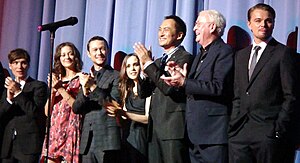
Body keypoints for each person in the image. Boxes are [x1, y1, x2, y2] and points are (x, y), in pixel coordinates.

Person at [228, 3, 299, 163]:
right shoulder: (240, 55)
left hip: (268, 134)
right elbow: (238, 93)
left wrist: (278, 129)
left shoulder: (283, 53)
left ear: (273, 23)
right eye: (258, 20)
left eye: (268, 21)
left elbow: (291, 96)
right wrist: (234, 126)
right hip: (240, 134)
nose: (263, 25)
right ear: (249, 24)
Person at [161, 10, 234, 163]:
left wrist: (185, 82)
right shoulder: (200, 54)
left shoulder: (224, 51)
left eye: (198, 24)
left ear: (212, 27)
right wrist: (180, 75)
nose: (194, 29)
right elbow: (195, 85)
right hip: (194, 134)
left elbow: (218, 87)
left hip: (213, 135)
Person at [134, 15, 193, 163]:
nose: (161, 33)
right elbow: (143, 93)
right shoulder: (158, 62)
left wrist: (148, 64)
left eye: (166, 29)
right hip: (154, 130)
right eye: (159, 29)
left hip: (173, 129)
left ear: (179, 35)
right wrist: (143, 71)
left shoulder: (185, 58)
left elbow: (168, 88)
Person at [72, 36, 121, 163]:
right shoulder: (86, 77)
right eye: (95, 50)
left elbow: (112, 103)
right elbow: (76, 108)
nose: (99, 53)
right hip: (87, 140)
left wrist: (92, 86)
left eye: (102, 49)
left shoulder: (116, 75)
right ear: (89, 53)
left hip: (107, 139)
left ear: (107, 51)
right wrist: (84, 89)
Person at [0, 48, 48, 162]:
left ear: (28, 65)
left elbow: (35, 113)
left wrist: (18, 93)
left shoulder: (38, 86)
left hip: (28, 146)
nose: (19, 67)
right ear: (10, 65)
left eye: (23, 62)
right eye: (16, 63)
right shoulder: (6, 87)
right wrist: (8, 100)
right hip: (7, 146)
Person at [106, 54, 153, 163]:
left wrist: (124, 113)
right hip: (126, 134)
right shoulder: (125, 88)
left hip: (141, 135)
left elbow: (148, 118)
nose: (132, 69)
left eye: (135, 65)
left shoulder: (148, 87)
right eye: (128, 66)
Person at [41, 42, 83, 163]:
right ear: (59, 59)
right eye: (63, 55)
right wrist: (53, 91)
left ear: (76, 57)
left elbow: (77, 106)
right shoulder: (57, 79)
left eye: (70, 54)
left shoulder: (81, 78)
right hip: (55, 130)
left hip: (71, 128)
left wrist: (61, 89)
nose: (67, 57)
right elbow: (47, 112)